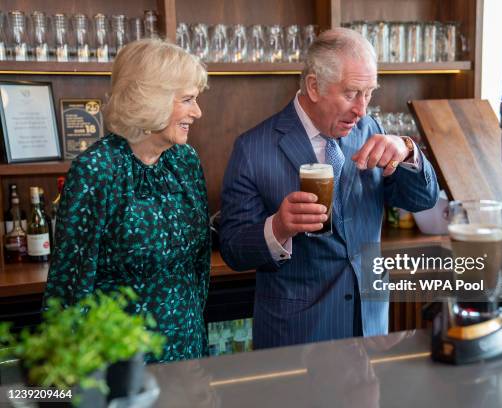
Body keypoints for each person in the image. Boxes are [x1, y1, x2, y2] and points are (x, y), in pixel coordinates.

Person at [220, 28, 439, 349]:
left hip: (370, 327)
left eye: (369, 93)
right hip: (297, 339)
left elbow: (422, 199)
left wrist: (407, 150)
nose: (362, 109)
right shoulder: (252, 149)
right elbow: (233, 249)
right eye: (351, 94)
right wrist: (278, 227)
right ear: (314, 86)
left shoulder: (371, 129)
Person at [44, 39, 210, 363]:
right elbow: (69, 287)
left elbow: (199, 266)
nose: (197, 112)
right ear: (153, 100)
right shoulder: (96, 170)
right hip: (120, 359)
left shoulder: (185, 160)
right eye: (188, 100)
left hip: (188, 349)